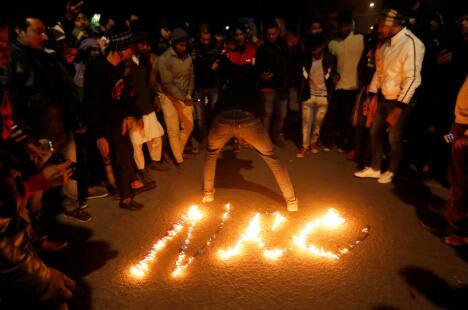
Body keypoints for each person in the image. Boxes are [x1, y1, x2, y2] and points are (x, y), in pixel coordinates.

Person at [202, 23, 298, 212]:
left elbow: (214, 75)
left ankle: (208, 194)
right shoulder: (254, 71)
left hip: (224, 116)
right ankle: (292, 201)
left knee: (212, 154)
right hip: (248, 117)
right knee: (270, 157)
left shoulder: (227, 68)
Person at [354, 8, 425, 184]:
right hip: (384, 97)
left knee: (394, 137)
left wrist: (400, 108)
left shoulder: (412, 43)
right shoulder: (386, 45)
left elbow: (413, 78)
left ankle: (392, 170)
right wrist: (370, 97)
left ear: (391, 24)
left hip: (401, 100)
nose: (378, 28)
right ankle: (375, 168)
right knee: (374, 132)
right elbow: (379, 73)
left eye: (380, 24)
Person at [86, 29, 148, 210]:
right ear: (119, 48)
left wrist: (129, 115)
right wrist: (99, 135)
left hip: (117, 121)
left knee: (124, 156)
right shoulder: (97, 70)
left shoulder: (119, 68)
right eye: (129, 47)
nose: (132, 51)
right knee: (114, 159)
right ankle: (124, 197)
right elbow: (91, 104)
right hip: (103, 124)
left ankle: (126, 193)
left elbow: (122, 96)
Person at [158, 27, 195, 171]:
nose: (184, 47)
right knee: (173, 129)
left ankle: (177, 151)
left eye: (185, 45)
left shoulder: (188, 57)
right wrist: (182, 98)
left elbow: (191, 76)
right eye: (181, 45)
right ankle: (178, 159)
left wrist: (188, 93)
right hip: (168, 98)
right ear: (173, 44)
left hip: (184, 96)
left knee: (189, 125)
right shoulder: (164, 59)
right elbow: (167, 84)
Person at [296, 34, 338, 157]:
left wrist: (335, 79)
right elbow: (300, 77)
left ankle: (313, 143)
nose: (314, 51)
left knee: (317, 124)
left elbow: (334, 74)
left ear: (323, 46)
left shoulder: (330, 59)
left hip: (323, 97)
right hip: (308, 95)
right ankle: (304, 146)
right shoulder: (306, 59)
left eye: (317, 48)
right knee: (306, 123)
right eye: (312, 49)